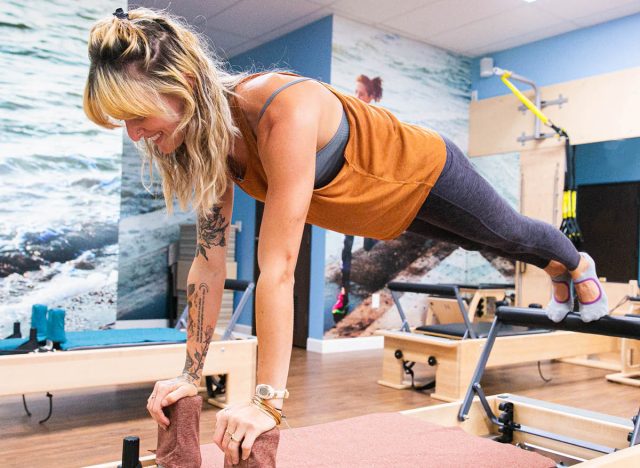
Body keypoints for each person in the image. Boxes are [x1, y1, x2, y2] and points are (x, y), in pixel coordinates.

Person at [83, 7, 609, 465]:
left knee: (506, 236)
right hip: (376, 212)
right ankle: (560, 269)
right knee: (482, 243)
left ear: (186, 87)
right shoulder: (212, 144)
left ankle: (573, 264)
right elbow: (208, 261)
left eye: (136, 115)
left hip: (422, 174)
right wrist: (189, 375)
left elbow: (279, 266)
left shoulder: (276, 108)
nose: (133, 134)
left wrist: (267, 401)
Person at [331, 74, 382, 323]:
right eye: (355, 92)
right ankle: (344, 294)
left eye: (361, 94)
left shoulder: (377, 123)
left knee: (369, 245)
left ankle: (368, 297)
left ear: (371, 97)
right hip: (352, 192)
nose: (356, 97)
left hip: (369, 194)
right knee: (347, 246)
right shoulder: (353, 120)